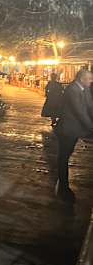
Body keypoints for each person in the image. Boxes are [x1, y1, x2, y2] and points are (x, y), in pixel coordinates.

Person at [55, 68, 93, 202]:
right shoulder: (72, 90)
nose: (91, 81)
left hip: (75, 129)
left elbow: (90, 106)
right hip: (66, 130)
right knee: (64, 157)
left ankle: (63, 186)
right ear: (82, 79)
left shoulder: (84, 88)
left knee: (67, 154)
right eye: (89, 79)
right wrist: (91, 127)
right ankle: (63, 187)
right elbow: (80, 112)